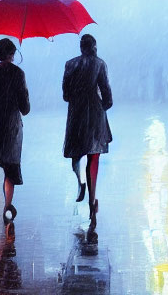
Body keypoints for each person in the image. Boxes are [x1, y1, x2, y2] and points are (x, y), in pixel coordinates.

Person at [62, 33, 112, 230]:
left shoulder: (70, 64)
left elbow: (65, 94)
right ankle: (92, 201)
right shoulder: (100, 64)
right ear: (94, 46)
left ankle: (80, 181)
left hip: (76, 112)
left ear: (81, 47)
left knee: (76, 153)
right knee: (94, 156)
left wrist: (76, 96)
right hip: (94, 113)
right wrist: (105, 104)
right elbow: (106, 91)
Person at [0, 38, 30, 223]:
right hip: (13, 128)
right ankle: (8, 205)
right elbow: (25, 108)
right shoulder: (19, 74)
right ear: (12, 54)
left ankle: (7, 203)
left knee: (6, 168)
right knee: (11, 168)